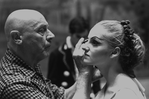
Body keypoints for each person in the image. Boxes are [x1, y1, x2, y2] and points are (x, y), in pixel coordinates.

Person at [0, 9, 99, 99]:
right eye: (41, 30)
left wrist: (89, 77)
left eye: (48, 29)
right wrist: (84, 74)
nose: (52, 35)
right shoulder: (14, 84)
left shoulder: (27, 67)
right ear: (17, 38)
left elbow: (62, 96)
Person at [75, 20, 147, 99]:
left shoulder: (125, 93)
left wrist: (84, 73)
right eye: (86, 40)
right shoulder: (110, 87)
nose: (84, 46)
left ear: (114, 52)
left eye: (95, 42)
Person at [47, 16, 101, 98]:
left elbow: (96, 82)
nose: (82, 40)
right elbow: (52, 84)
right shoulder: (57, 54)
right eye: (78, 37)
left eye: (85, 36)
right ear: (71, 34)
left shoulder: (91, 51)